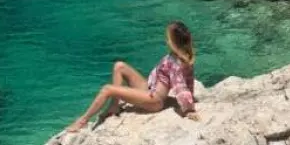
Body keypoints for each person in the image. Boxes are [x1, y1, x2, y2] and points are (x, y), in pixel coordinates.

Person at [67, 21, 199, 132]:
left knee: (107, 89)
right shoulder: (185, 57)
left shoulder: (175, 63)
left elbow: (181, 86)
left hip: (154, 100)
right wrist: (192, 95)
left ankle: (82, 121)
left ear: (173, 42)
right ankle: (114, 106)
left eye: (168, 39)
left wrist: (188, 109)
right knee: (119, 66)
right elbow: (189, 80)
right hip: (150, 88)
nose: (166, 40)